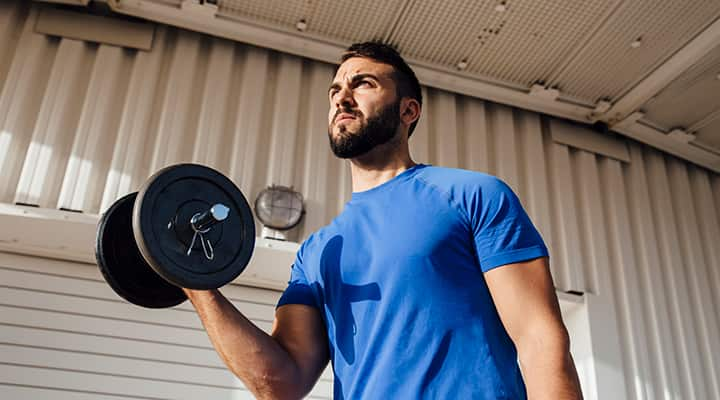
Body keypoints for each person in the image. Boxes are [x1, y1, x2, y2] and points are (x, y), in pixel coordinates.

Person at [183, 41, 583, 399]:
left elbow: (539, 339)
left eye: (363, 84)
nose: (342, 99)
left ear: (408, 110)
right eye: (335, 90)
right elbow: (280, 383)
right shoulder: (317, 251)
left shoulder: (472, 195)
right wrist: (194, 282)